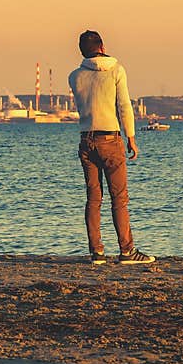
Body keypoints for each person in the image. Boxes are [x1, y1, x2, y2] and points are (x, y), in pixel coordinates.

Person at [68, 30, 155, 265]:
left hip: (86, 140)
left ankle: (96, 252)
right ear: (103, 47)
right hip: (110, 140)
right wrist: (132, 138)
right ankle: (127, 251)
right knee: (119, 198)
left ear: (82, 50)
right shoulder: (117, 70)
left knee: (93, 198)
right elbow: (124, 106)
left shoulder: (74, 76)